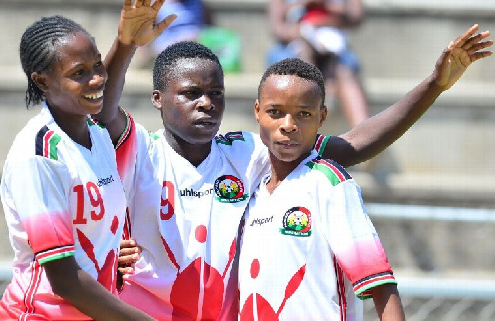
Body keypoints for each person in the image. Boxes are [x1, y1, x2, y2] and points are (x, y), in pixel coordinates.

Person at [105, 25, 491, 320]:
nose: (206, 103)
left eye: (217, 93)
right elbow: (101, 112)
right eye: (191, 94)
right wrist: (125, 43)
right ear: (157, 99)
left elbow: (352, 146)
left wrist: (433, 86)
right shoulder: (140, 150)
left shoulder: (248, 153)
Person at [0, 0, 176, 319]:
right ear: (43, 82)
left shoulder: (96, 135)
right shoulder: (40, 154)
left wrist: (125, 44)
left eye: (96, 65)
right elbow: (65, 282)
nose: (96, 79)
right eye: (79, 73)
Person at [238, 57, 404, 321]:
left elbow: (381, 287)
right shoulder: (251, 188)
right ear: (257, 111)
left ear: (322, 117)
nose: (288, 124)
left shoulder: (329, 182)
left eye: (304, 114)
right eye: (275, 112)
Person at [267, 0, 369, 128]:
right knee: (302, 66)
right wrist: (305, 23)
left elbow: (356, 16)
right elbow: (278, 27)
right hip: (295, 42)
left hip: (334, 46)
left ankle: (364, 135)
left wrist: (328, 9)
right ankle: (302, 130)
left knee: (345, 71)